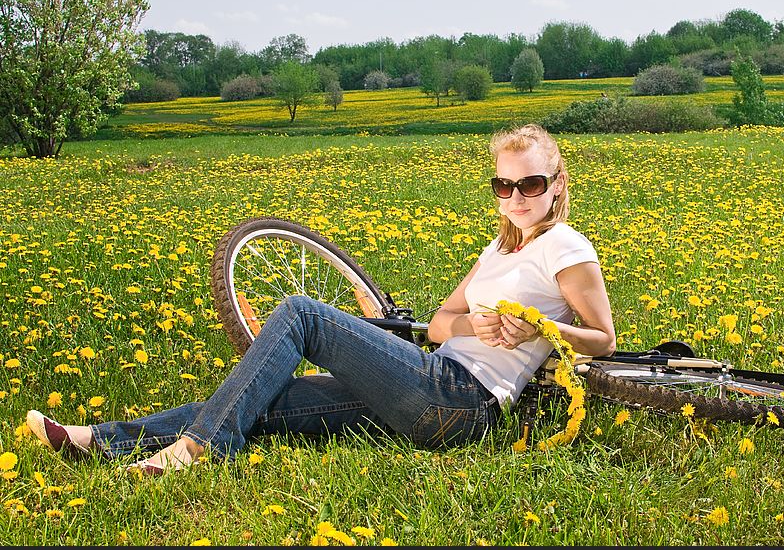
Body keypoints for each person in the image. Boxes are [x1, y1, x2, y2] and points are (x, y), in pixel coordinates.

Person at [26, 124, 616, 475]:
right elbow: (439, 324)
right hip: (437, 377)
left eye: (531, 184)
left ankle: (199, 450)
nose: (516, 195)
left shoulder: (565, 247)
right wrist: (478, 326)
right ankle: (97, 441)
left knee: (302, 313)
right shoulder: (499, 248)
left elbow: (604, 339)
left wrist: (536, 332)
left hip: (464, 403)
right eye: (504, 184)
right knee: (269, 401)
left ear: (556, 183)